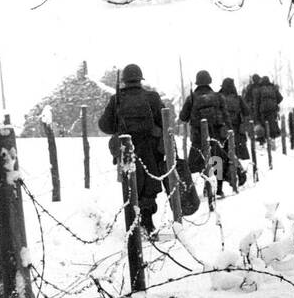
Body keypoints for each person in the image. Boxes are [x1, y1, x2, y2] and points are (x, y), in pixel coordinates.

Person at [98, 64, 167, 234]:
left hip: (126, 149)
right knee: (149, 187)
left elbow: (105, 125)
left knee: (130, 186)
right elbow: (164, 122)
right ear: (140, 79)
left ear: (124, 81)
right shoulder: (152, 97)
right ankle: (148, 223)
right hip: (150, 149)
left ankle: (133, 225)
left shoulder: (117, 99)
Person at [179, 70, 229, 195]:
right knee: (217, 160)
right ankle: (218, 188)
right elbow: (226, 116)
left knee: (199, 162)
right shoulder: (218, 97)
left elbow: (183, 117)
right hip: (216, 136)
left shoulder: (192, 98)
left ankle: (206, 186)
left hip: (198, 137)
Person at [219, 77, 250, 167]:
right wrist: (243, 125)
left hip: (223, 129)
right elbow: (247, 113)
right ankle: (240, 173)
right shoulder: (238, 98)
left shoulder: (218, 97)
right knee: (239, 154)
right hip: (237, 130)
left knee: (223, 154)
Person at [256, 75, 284, 140]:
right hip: (273, 110)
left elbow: (257, 103)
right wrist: (274, 102)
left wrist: (257, 114)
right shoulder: (273, 88)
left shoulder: (259, 89)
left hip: (264, 111)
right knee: (273, 124)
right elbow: (280, 98)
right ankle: (274, 138)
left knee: (265, 125)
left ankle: (267, 140)